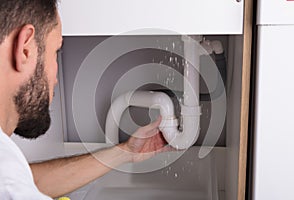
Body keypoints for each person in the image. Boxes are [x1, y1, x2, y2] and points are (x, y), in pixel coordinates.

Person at [0, 0, 168, 199]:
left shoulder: (9, 173)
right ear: (25, 49)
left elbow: (29, 181)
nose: (55, 79)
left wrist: (126, 152)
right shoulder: (11, 189)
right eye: (55, 52)